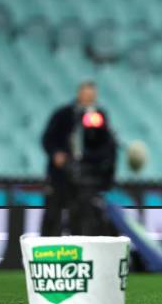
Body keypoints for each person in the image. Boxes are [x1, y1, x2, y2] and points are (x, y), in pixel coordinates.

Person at [41, 81, 117, 236]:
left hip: (85, 176)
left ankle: (78, 251)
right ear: (79, 94)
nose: (89, 98)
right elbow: (48, 138)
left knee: (81, 217)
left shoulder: (98, 117)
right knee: (53, 215)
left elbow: (106, 145)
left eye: (92, 96)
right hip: (61, 175)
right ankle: (46, 253)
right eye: (86, 94)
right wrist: (56, 154)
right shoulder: (64, 114)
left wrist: (94, 163)